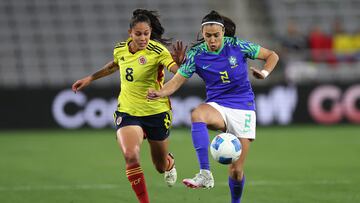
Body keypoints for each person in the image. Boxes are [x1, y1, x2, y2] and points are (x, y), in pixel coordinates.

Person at [147, 10, 279, 203]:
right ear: (203, 34)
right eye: (208, 35)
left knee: (236, 171)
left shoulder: (238, 46)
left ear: (223, 32)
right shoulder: (196, 54)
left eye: (216, 35)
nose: (212, 39)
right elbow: (176, 81)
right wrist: (160, 92)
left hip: (243, 107)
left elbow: (272, 55)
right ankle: (205, 173)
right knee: (197, 114)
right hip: (217, 105)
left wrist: (264, 73)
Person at [72, 9, 180, 203]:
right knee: (131, 156)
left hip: (156, 112)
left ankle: (169, 163)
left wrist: (181, 65)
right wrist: (90, 78)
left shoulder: (157, 51)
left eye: (146, 33)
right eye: (138, 34)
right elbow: (113, 65)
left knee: (160, 166)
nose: (143, 38)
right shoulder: (121, 48)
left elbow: (176, 70)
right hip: (128, 111)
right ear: (130, 33)